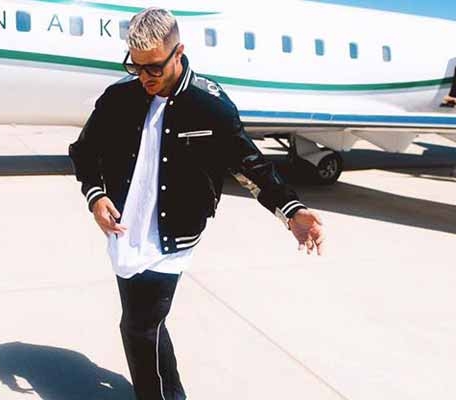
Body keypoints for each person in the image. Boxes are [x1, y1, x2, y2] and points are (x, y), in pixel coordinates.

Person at [69, 7, 325, 400]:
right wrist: (96, 195)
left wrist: (291, 210)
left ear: (179, 52)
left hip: (173, 236)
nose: (144, 77)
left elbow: (250, 164)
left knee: (140, 326)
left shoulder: (209, 104)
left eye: (154, 67)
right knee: (145, 326)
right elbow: (84, 151)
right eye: (135, 66)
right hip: (124, 232)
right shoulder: (119, 97)